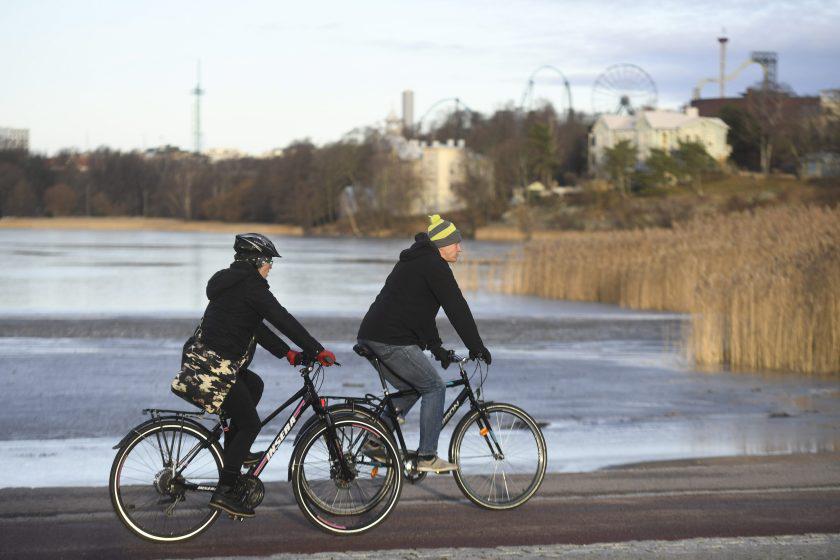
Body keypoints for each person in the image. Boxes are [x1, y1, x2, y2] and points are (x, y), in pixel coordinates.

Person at [171, 233, 336, 518]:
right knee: (250, 424)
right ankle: (224, 492)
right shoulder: (251, 286)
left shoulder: (233, 284)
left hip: (206, 364)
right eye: (269, 260)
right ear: (256, 260)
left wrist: (288, 353)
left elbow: (256, 327)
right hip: (214, 369)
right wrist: (317, 349)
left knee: (254, 385)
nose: (271, 266)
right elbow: (281, 318)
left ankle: (236, 451)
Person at [357, 215, 491, 473]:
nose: (460, 248)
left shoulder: (418, 262)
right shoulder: (434, 266)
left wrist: (436, 346)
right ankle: (427, 456)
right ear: (441, 246)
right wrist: (476, 346)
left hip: (373, 335)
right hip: (390, 340)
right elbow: (457, 309)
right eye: (455, 244)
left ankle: (374, 441)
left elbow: (419, 310)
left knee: (412, 388)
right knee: (433, 387)